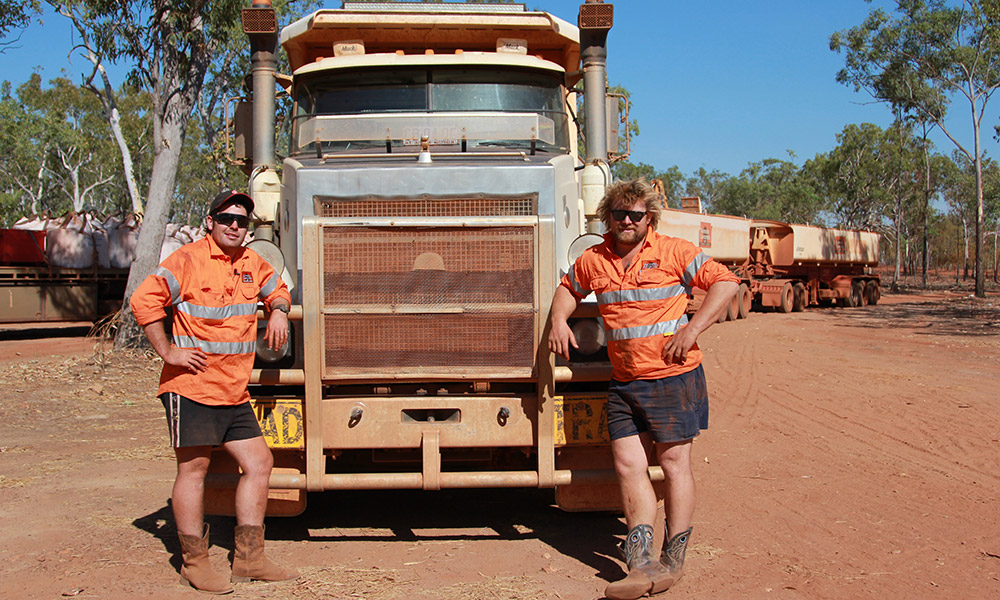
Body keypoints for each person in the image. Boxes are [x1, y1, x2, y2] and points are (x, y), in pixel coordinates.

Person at [548, 179, 738, 600]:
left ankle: (674, 556)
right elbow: (568, 289)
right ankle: (641, 560)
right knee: (628, 466)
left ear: (649, 217)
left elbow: (726, 283)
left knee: (673, 465)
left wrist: (693, 328)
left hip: (673, 377)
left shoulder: (673, 251)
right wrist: (560, 319)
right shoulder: (594, 259)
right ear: (608, 217)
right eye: (620, 214)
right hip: (625, 383)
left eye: (636, 214)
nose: (628, 221)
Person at [131, 190, 297, 594]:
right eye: (226, 218)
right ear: (211, 221)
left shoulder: (252, 263)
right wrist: (169, 351)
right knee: (194, 471)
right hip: (191, 388)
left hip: (233, 391)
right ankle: (195, 561)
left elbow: (279, 289)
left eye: (242, 221)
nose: (235, 226)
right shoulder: (187, 260)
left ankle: (249, 558)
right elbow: (142, 300)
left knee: (259, 463)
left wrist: (277, 310)